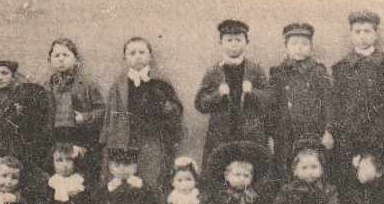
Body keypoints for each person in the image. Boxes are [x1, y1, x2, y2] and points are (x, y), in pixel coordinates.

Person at [101, 36, 184, 190]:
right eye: (132, 53)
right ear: (124, 58)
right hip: (125, 142)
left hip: (152, 142)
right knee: (125, 183)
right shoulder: (118, 86)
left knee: (151, 181)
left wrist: (166, 107)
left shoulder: (161, 84)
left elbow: (176, 111)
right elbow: (110, 118)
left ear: (150, 56)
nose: (137, 56)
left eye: (142, 52)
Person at [0, 58, 54, 196]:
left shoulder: (21, 96)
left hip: (16, 146)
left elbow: (30, 126)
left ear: (13, 76)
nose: (0, 78)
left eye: (5, 73)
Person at [196, 18, 272, 167]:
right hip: (221, 133)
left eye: (238, 40)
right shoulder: (213, 72)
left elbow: (269, 98)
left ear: (246, 42)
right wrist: (218, 94)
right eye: (229, 40)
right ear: (221, 43)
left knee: (252, 170)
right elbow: (200, 103)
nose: (234, 44)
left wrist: (253, 93)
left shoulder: (255, 69)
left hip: (250, 132)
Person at [329, 11, 384, 167]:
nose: (362, 36)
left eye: (367, 31)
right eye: (357, 32)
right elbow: (337, 101)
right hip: (351, 131)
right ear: (351, 36)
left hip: (380, 129)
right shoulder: (342, 67)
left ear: (376, 35)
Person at [266, 21, 333, 175]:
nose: (299, 48)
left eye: (304, 44)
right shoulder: (278, 73)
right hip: (285, 134)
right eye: (294, 44)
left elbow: (328, 103)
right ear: (286, 47)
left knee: (313, 170)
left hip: (313, 132)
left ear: (311, 48)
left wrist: (328, 131)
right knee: (286, 171)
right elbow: (270, 107)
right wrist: (269, 135)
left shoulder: (318, 72)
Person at [41, 37, 106, 165]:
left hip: (79, 135)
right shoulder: (46, 86)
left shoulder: (86, 84)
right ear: (49, 60)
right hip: (55, 136)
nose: (61, 59)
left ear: (76, 60)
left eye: (65, 55)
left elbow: (101, 110)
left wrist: (85, 117)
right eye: (56, 55)